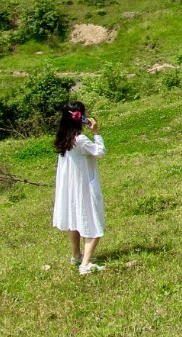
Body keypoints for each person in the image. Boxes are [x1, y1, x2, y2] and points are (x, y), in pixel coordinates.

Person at [53, 100, 106, 274]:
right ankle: (85, 264)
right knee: (93, 223)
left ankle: (76, 255)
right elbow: (100, 152)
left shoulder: (63, 139)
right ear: (80, 117)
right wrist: (96, 132)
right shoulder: (80, 140)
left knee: (74, 222)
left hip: (70, 187)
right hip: (84, 185)